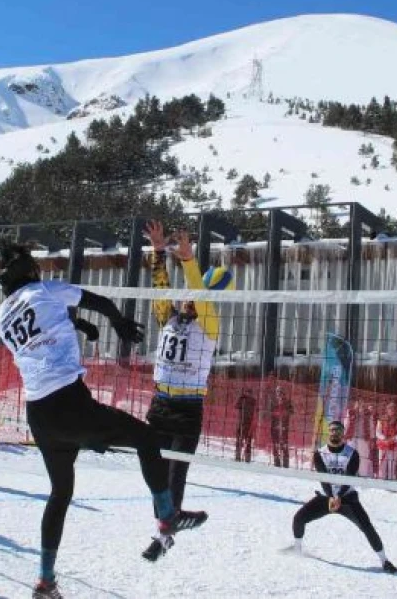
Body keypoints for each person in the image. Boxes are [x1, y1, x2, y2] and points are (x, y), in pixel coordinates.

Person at [0, 242, 207, 599]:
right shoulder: (46, 289)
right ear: (29, 269)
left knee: (60, 493)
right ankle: (168, 516)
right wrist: (118, 323)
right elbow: (101, 301)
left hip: (39, 415)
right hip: (69, 403)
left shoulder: (0, 317)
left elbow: (41, 327)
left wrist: (82, 326)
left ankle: (45, 581)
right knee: (149, 439)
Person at [141, 221, 226, 561]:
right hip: (160, 404)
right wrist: (158, 253)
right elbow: (160, 287)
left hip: (188, 410)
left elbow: (200, 293)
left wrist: (189, 261)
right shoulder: (167, 317)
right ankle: (169, 525)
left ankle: (165, 533)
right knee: (155, 475)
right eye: (186, 295)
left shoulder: (210, 323)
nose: (187, 298)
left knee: (175, 475)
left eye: (193, 296)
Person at [289, 420, 397, 574]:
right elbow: (324, 478)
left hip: (347, 498)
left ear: (343, 433)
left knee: (367, 527)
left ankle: (385, 561)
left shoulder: (352, 453)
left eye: (338, 430)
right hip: (326, 496)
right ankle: (297, 549)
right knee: (299, 518)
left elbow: (349, 477)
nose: (334, 433)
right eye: (332, 430)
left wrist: (339, 496)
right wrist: (332, 497)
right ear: (328, 432)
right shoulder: (320, 453)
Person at [343, 399, 376, 477]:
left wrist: (372, 439)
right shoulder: (350, 412)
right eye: (358, 404)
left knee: (363, 457)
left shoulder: (368, 415)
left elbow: (371, 427)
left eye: (361, 404)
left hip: (363, 439)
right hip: (352, 438)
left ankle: (362, 474)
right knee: (350, 455)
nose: (359, 406)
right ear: (355, 405)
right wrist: (344, 436)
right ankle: (350, 473)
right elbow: (346, 424)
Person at [375, 401, 397, 481]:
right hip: (383, 445)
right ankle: (380, 481)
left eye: (393, 409)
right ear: (387, 409)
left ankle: (392, 482)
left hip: (393, 446)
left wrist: (393, 439)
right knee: (382, 465)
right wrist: (384, 439)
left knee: (392, 465)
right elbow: (377, 432)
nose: (391, 410)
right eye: (390, 409)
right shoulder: (381, 419)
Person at [271, 385, 294, 469]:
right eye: (277, 392)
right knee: (275, 444)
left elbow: (292, 411)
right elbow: (269, 411)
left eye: (280, 392)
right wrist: (275, 413)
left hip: (284, 425)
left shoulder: (287, 402)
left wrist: (285, 412)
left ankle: (285, 462)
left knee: (284, 444)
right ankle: (276, 462)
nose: (279, 394)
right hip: (274, 426)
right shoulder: (273, 401)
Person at [235, 388, 257, 462]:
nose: (248, 394)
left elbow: (256, 409)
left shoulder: (253, 401)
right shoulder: (243, 400)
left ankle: (247, 458)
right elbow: (236, 406)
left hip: (248, 423)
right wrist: (240, 398)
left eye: (249, 393)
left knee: (248, 441)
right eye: (247, 393)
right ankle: (238, 456)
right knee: (239, 439)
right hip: (241, 422)